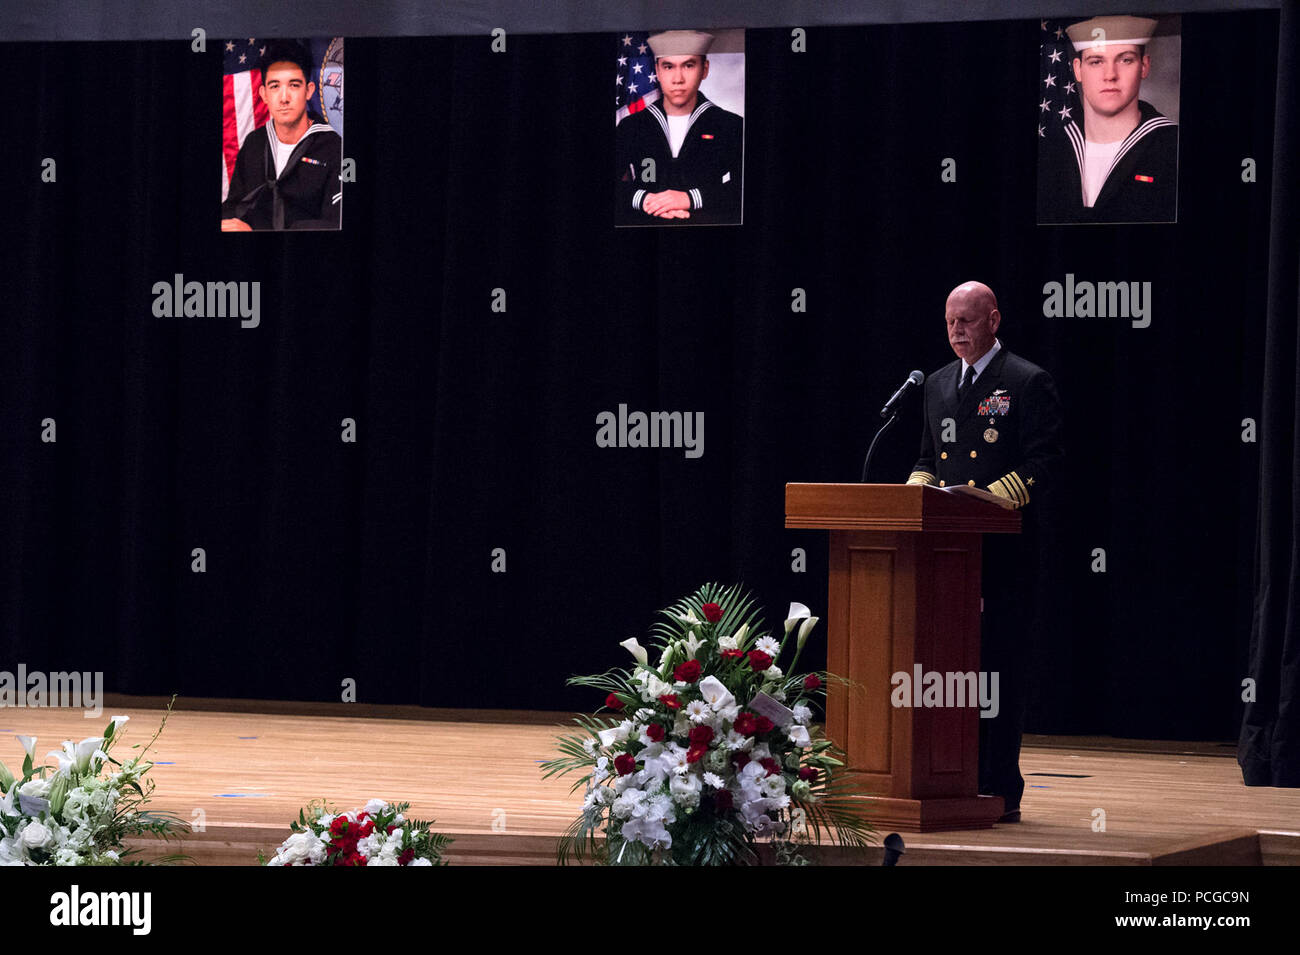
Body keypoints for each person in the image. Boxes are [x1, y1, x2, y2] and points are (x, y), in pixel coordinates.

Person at [906, 281, 1065, 822]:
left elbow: (1048, 463)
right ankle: (950, 777)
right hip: (947, 555)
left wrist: (989, 502)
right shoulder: (934, 384)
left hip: (1003, 553)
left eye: (967, 321)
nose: (957, 332)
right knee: (947, 669)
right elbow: (929, 456)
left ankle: (1000, 786)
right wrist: (916, 493)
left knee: (998, 668)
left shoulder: (1025, 381)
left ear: (993, 320)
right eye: (950, 322)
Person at [1037, 15, 1178, 224]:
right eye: (1096, 61)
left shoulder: (1173, 146)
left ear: (1144, 66)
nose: (1110, 75)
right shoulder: (1050, 146)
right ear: (1077, 69)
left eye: (1125, 59)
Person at [615, 30, 743, 225]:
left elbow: (745, 187)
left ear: (704, 69)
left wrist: (691, 198)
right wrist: (643, 199)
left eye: (689, 65)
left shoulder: (730, 125)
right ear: (657, 71)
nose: (678, 79)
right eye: (668, 67)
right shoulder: (632, 126)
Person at [221, 39, 342, 231]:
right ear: (264, 94)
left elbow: (334, 224)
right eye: (275, 86)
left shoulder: (334, 148)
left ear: (309, 91)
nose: (284, 98)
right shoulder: (254, 142)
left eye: (294, 85)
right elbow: (234, 206)